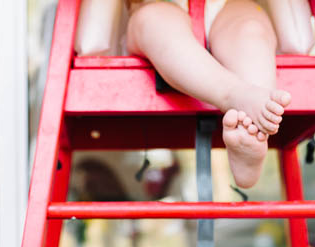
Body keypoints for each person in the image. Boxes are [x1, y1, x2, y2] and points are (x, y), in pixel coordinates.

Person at [124, 0, 291, 188]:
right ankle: (236, 94)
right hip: (157, 5)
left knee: (251, 31)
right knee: (154, 23)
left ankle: (252, 132)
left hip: (229, 5)